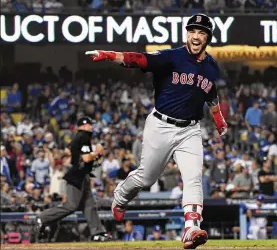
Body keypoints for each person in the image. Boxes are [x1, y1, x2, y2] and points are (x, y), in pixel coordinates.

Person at [86, 13, 228, 249]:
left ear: (207, 38)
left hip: (190, 130)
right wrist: (111, 55)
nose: (196, 36)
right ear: (187, 34)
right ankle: (120, 197)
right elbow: (139, 59)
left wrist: (218, 117)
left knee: (193, 178)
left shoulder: (212, 66)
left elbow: (210, 91)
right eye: (192, 31)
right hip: (161, 124)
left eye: (201, 32)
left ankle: (191, 228)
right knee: (147, 176)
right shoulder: (173, 56)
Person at [35, 117, 111, 241]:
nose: (91, 127)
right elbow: (86, 158)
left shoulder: (77, 138)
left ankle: (97, 233)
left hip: (82, 174)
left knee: (89, 205)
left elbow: (66, 152)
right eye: (89, 125)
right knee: (71, 205)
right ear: (83, 126)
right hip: (76, 175)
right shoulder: (83, 136)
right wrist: (97, 152)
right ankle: (43, 218)